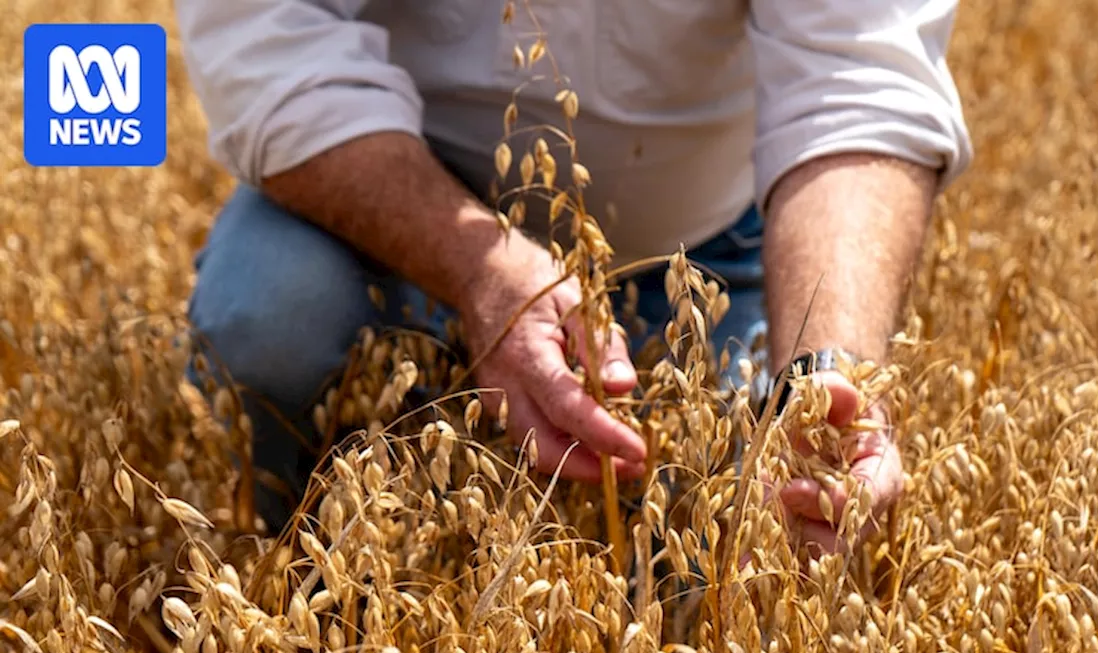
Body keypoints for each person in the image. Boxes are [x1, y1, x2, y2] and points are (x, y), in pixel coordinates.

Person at [173, 0, 972, 554]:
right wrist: (478, 272)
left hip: (704, 257)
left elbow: (855, 83)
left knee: (716, 554)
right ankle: (292, 570)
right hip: (376, 218)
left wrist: (823, 372)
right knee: (269, 319)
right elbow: (276, 48)